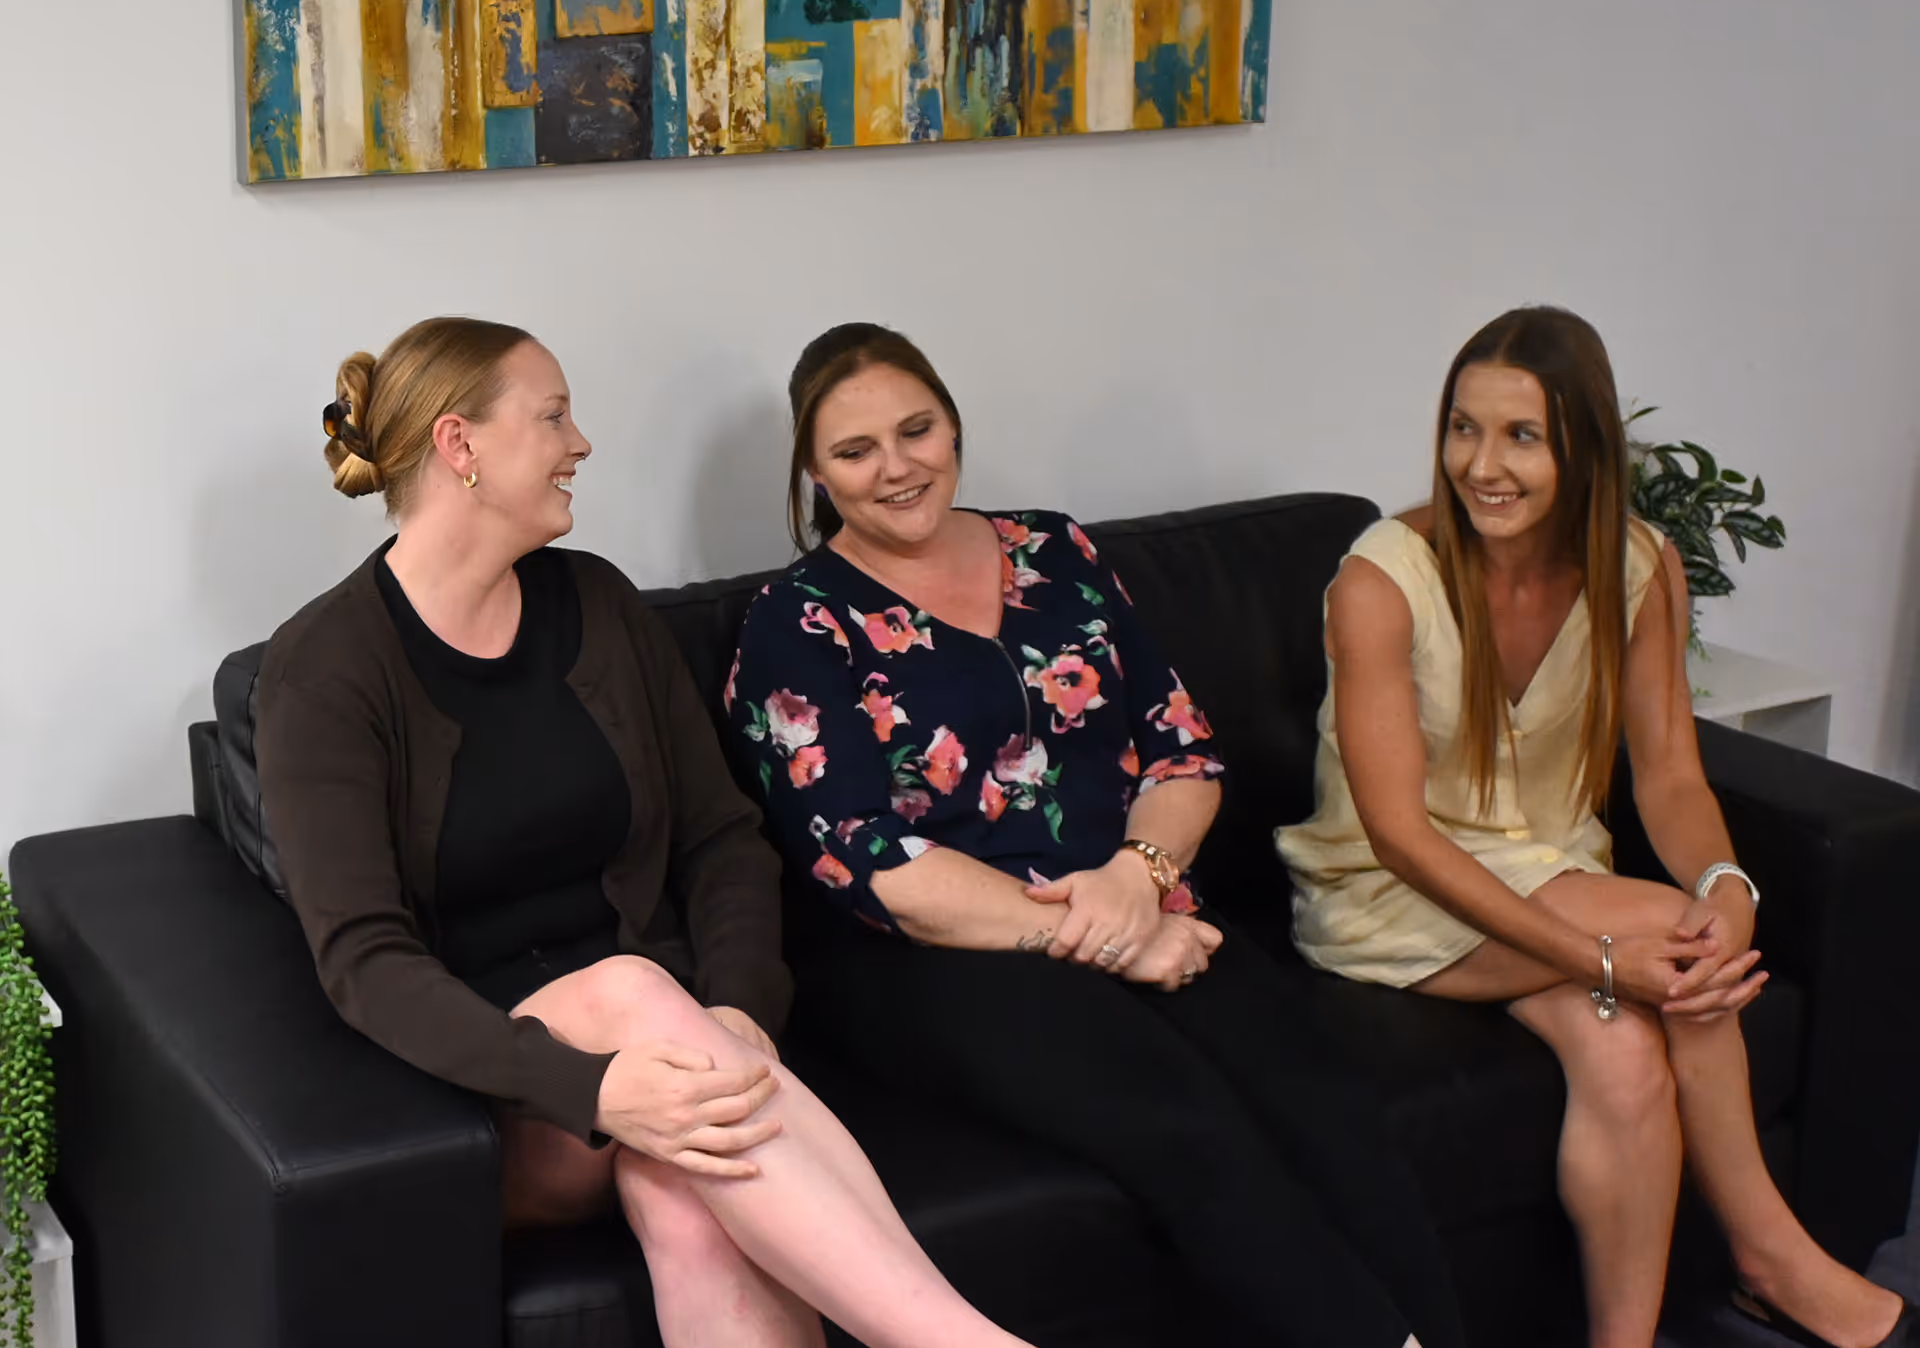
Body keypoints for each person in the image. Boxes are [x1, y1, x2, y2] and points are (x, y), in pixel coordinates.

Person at [255, 316, 1037, 1348]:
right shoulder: (325, 670)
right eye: (553, 417)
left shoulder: (599, 606)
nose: (580, 443)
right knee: (635, 1005)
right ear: (461, 447)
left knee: (682, 1187)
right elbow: (362, 960)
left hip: (675, 1053)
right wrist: (596, 1086)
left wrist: (741, 1014)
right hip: (490, 1091)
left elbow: (722, 837)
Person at [725, 321, 1464, 1348]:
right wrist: (1115, 931)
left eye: (917, 430)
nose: (896, 467)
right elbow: (868, 860)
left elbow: (1183, 751)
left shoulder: (1055, 550)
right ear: (814, 470)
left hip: (1135, 892)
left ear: (953, 425)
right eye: (856, 451)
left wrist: (1137, 876)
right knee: (1184, 1129)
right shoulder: (795, 623)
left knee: (1324, 1101)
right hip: (932, 956)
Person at [1278, 305, 1917, 1348]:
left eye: (1521, 435)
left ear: (1585, 442)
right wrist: (1602, 956)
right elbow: (1397, 834)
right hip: (1388, 892)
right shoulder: (1379, 580)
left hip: (1548, 867)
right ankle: (1776, 1259)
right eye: (1464, 428)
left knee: (1625, 1052)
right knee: (1667, 949)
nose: (1483, 465)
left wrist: (1726, 884)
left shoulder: (1639, 564)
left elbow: (1669, 774)